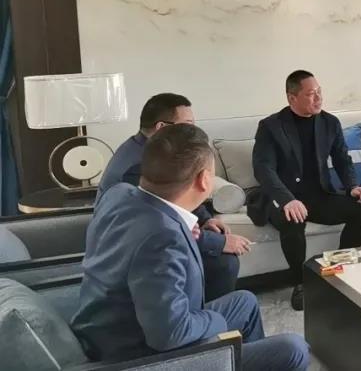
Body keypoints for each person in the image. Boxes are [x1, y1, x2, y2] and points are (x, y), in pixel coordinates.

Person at [71, 124, 309, 370]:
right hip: (138, 355)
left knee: (245, 303)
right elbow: (170, 335)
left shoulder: (119, 194)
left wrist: (183, 228)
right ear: (204, 180)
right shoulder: (162, 237)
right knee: (294, 349)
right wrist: (215, 320)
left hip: (108, 325)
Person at [95, 93, 247, 301]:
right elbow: (157, 226)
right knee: (223, 262)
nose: (193, 131)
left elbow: (178, 192)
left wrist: (205, 219)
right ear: (162, 127)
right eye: (188, 124)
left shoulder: (150, 150)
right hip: (132, 248)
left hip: (151, 233)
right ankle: (206, 316)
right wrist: (218, 243)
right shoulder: (138, 165)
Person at [252, 70, 361, 311]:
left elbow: (342, 160)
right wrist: (287, 199)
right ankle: (301, 283)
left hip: (318, 195)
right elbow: (263, 169)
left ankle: (337, 269)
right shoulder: (271, 126)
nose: (318, 98)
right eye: (310, 94)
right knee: (293, 218)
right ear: (292, 98)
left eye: (319, 92)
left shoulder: (329, 122)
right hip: (283, 198)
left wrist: (353, 187)